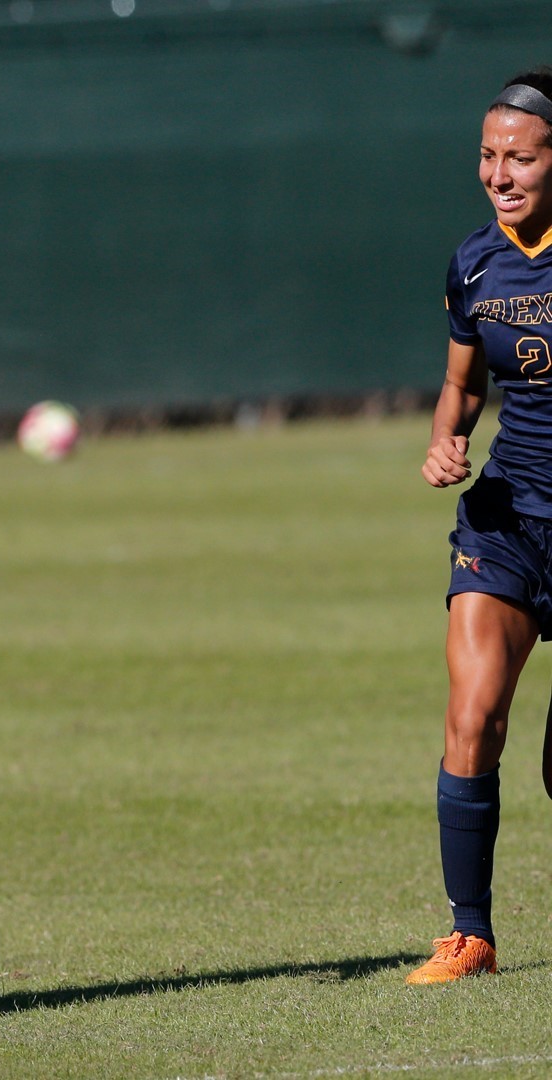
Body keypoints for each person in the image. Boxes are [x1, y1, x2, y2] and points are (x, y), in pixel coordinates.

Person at [412, 66, 552, 984]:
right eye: (488, 155)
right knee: (472, 718)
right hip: (504, 520)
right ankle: (470, 936)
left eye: (523, 158)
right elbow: (464, 386)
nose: (500, 173)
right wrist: (443, 443)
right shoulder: (474, 260)